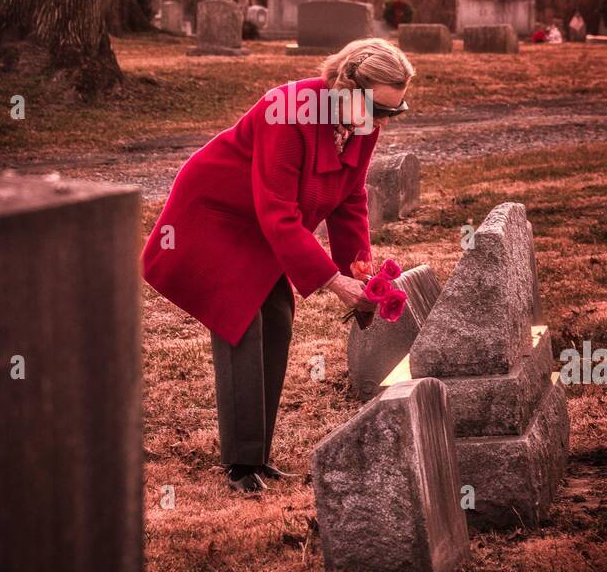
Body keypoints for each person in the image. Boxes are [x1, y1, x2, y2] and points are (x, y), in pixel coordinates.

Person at [142, 38, 415, 493]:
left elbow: (350, 198)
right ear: (347, 89)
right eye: (379, 110)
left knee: (277, 316)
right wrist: (333, 281)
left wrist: (360, 273)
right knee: (240, 317)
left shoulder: (361, 123)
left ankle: (259, 456)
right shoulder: (287, 111)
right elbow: (278, 214)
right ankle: (241, 464)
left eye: (393, 112)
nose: (383, 121)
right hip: (216, 213)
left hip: (260, 221)